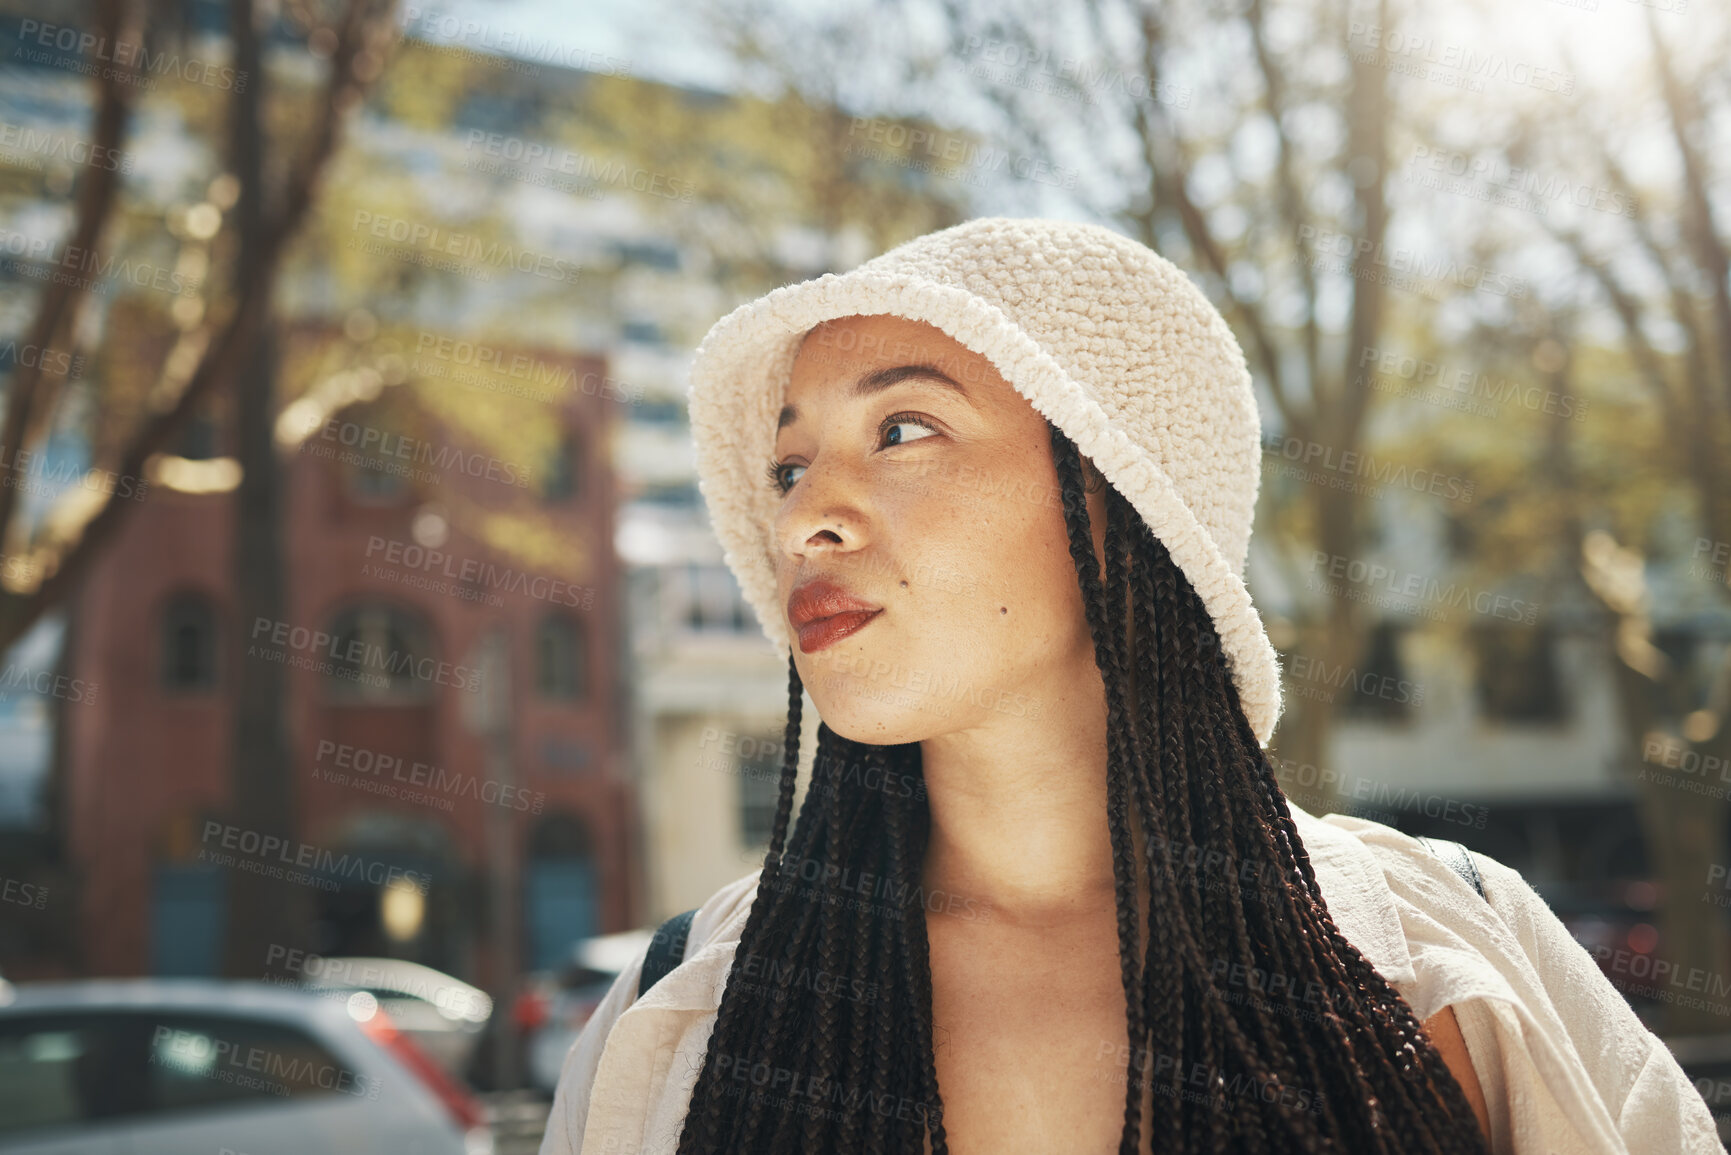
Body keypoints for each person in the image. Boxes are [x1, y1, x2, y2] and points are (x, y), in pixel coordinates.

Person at [540, 217, 1720, 1153]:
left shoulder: (1455, 948)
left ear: (1122, 508)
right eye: (788, 464)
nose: (804, 516)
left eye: (903, 429)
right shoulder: (675, 1015)